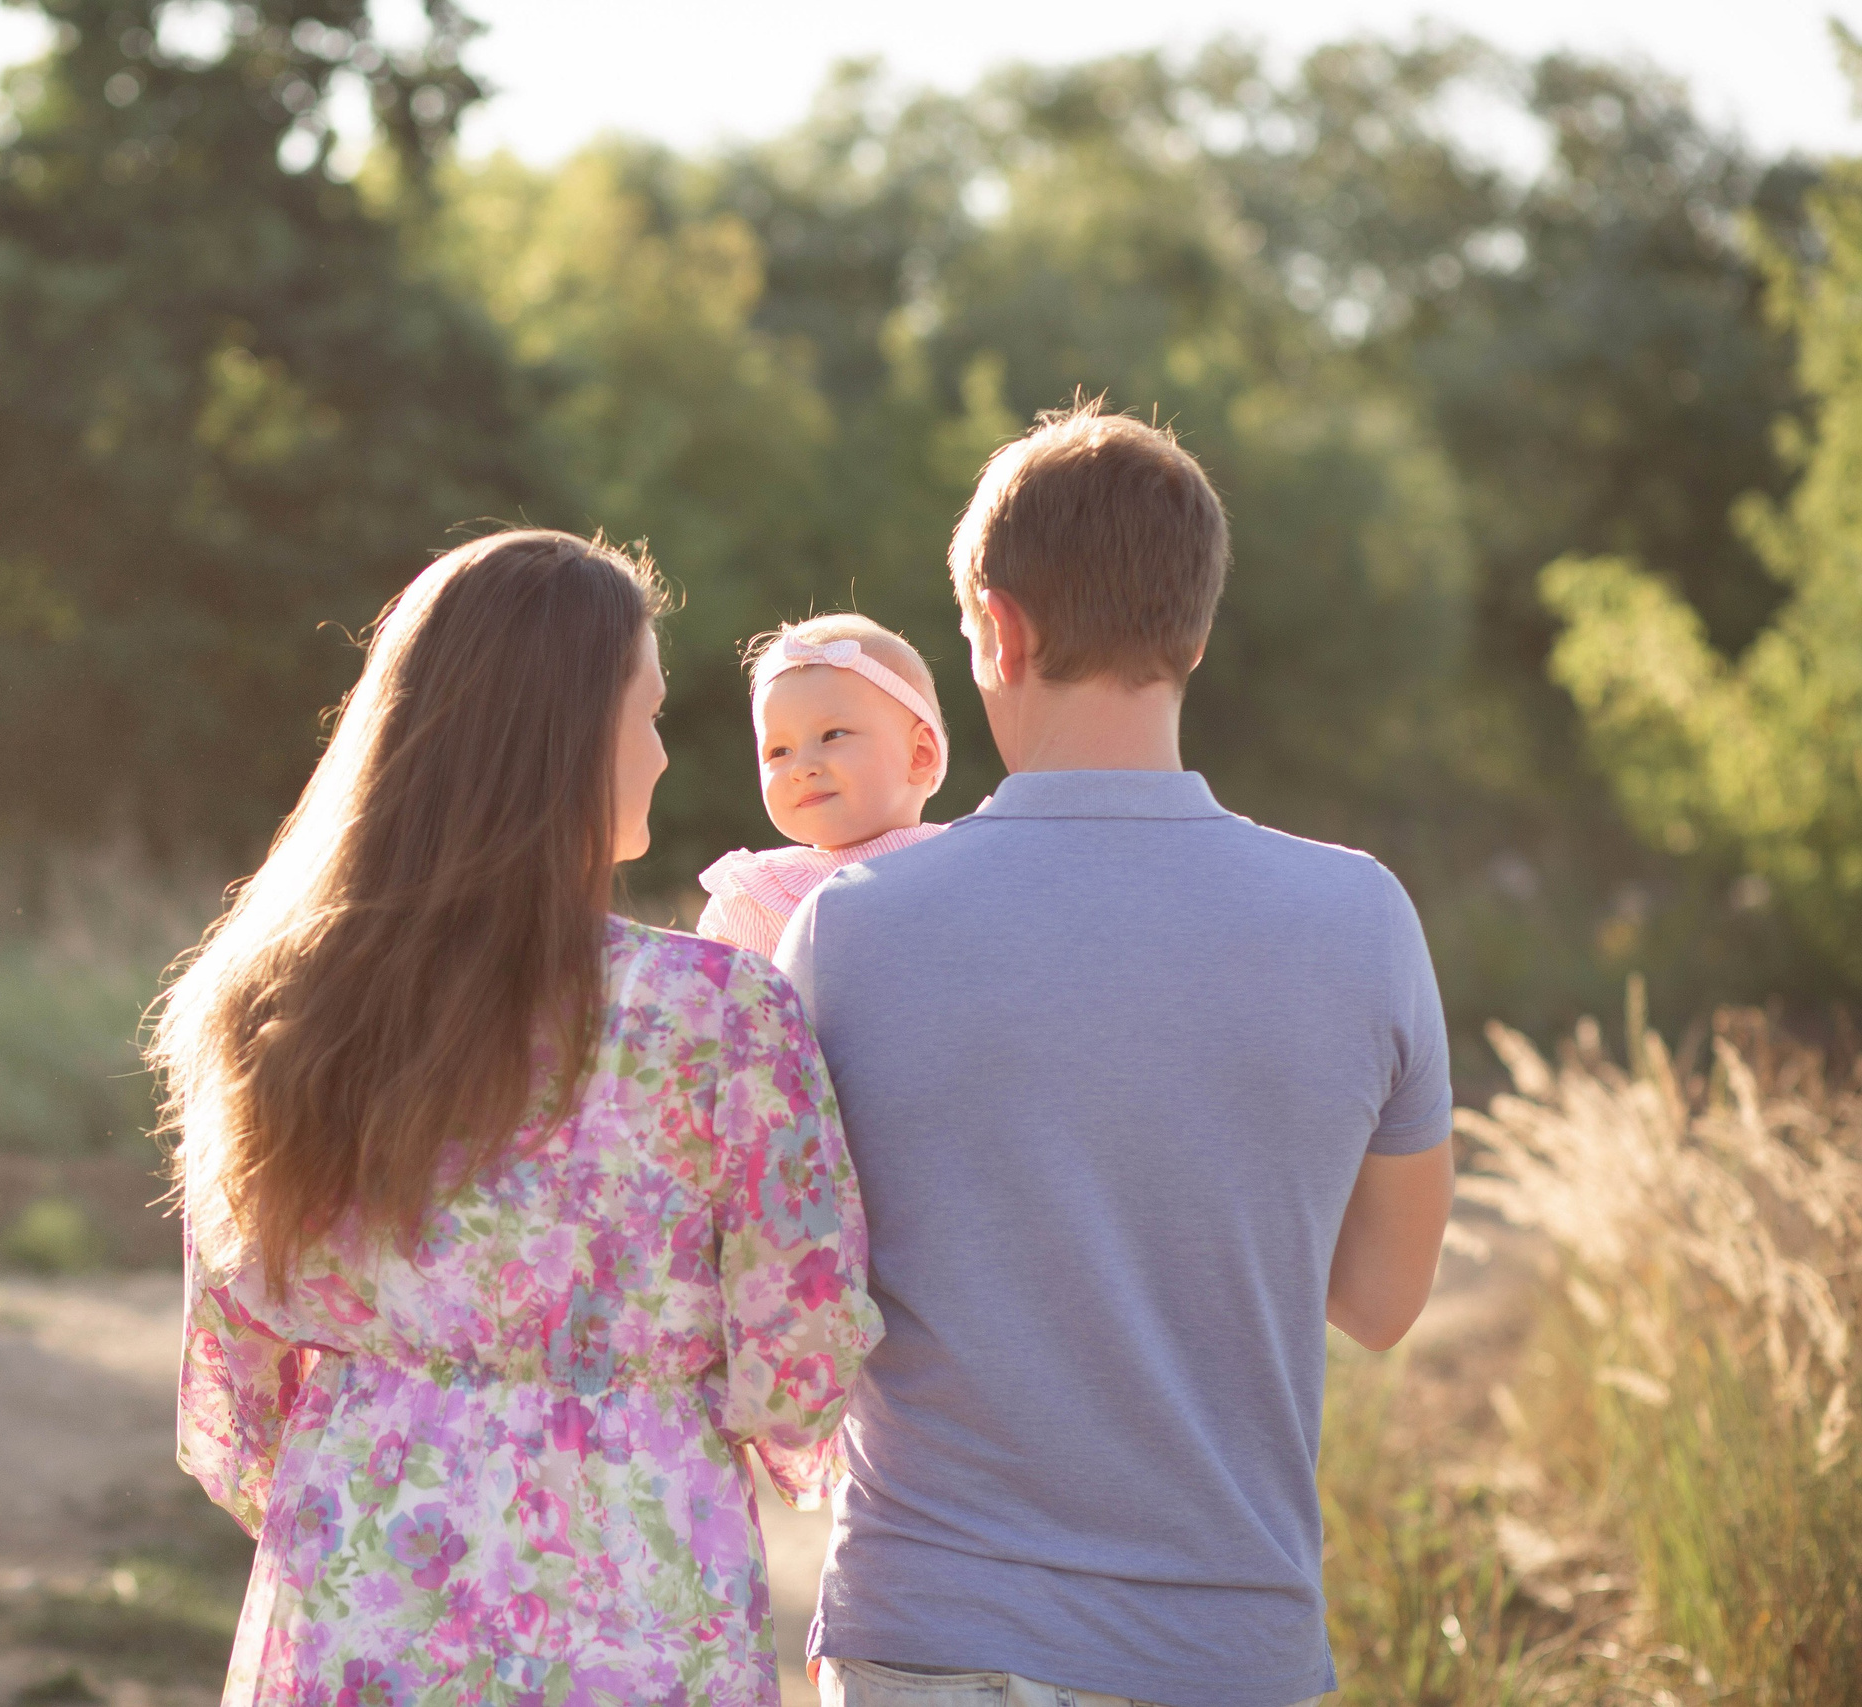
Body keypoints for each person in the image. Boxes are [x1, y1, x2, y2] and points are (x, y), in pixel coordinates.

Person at [781, 401, 1456, 1707]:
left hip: (935, 1631)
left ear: (1003, 626)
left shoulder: (848, 930)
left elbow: (786, 1281)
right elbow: (1383, 1299)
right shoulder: (1362, 913)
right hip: (1226, 1646)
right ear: (1193, 628)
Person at [154, 529, 885, 1707]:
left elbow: (234, 1397)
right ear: (567, 738)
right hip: (634, 1598)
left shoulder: (272, 1003)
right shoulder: (717, 1015)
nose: (659, 752)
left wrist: (405, 1441)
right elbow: (800, 1361)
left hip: (365, 1586)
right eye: (644, 714)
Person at [697, 615, 952, 956]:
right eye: (779, 751)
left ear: (919, 754)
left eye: (832, 736)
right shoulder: (763, 899)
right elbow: (724, 1004)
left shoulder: (966, 862)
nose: (801, 769)